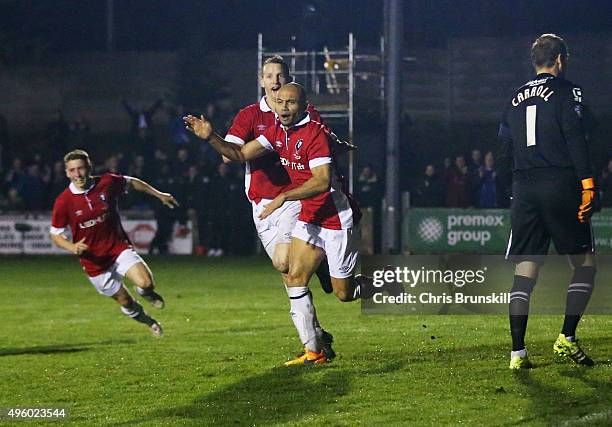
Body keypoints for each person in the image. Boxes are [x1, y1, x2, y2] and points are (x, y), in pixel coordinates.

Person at [185, 83, 378, 366]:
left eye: (290, 103)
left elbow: (322, 181)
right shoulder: (276, 132)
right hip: (310, 217)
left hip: (336, 219)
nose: (284, 108)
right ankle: (315, 351)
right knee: (294, 277)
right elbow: (238, 154)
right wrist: (210, 137)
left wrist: (284, 195)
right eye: (280, 102)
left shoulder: (315, 133)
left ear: (303, 105)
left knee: (343, 294)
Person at [498, 34, 599, 369]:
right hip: (559, 183)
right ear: (559, 61)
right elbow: (574, 135)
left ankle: (517, 353)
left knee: (526, 268)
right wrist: (588, 183)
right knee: (584, 264)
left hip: (524, 187)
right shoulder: (568, 91)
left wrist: (508, 189)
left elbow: (503, 148)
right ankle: (566, 338)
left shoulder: (513, 97)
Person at [49, 149, 179, 337]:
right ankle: (149, 322)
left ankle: (146, 293)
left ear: (89, 167)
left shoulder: (107, 182)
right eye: (72, 170)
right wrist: (72, 247)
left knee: (146, 282)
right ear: (67, 172)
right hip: (94, 261)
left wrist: (159, 194)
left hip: (117, 247)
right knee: (125, 301)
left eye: (81, 168)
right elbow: (56, 234)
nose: (77, 174)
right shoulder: (64, 202)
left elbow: (132, 182)